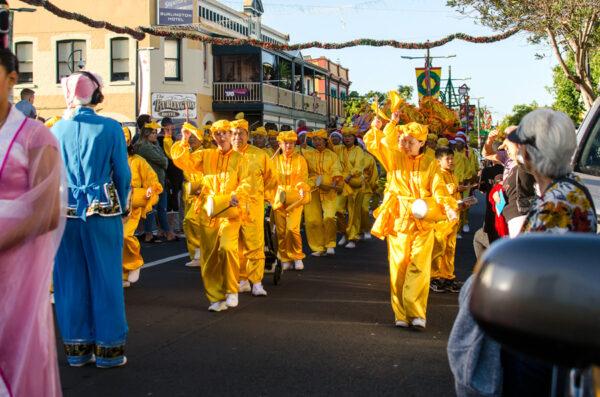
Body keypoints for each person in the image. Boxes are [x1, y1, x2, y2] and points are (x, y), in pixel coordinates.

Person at [52, 71, 131, 368]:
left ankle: (77, 351)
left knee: (69, 280)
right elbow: (122, 174)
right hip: (102, 210)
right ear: (96, 94)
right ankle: (109, 351)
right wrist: (124, 205)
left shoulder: (54, 130)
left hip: (65, 210)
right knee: (106, 278)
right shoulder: (111, 128)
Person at [0, 47, 64, 397]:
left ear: (12, 79)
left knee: (15, 350)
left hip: (16, 267)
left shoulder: (36, 137)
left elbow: (47, 210)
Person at [364, 114, 457, 330]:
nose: (405, 144)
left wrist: (449, 207)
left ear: (422, 142)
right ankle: (400, 314)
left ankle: (416, 313)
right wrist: (384, 124)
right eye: (403, 140)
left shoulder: (431, 163)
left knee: (418, 266)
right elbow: (376, 143)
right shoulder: (394, 156)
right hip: (398, 220)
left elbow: (439, 189)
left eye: (410, 141)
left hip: (423, 220)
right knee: (398, 268)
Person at [171, 120, 251, 312]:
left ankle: (232, 289)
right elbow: (184, 162)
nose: (221, 137)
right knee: (209, 258)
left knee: (227, 248)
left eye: (224, 133)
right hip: (208, 211)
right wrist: (185, 139)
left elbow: (247, 182)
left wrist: (236, 196)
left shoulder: (241, 159)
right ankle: (216, 298)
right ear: (213, 137)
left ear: (231, 135)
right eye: (217, 134)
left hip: (231, 213)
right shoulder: (205, 155)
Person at [231, 119, 273, 296]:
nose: (237, 137)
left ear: (247, 135)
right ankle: (241, 279)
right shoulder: (224, 155)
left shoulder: (259, 155)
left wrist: (270, 200)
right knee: (235, 245)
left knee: (255, 243)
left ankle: (256, 281)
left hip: (254, 206)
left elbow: (271, 179)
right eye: (233, 133)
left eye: (241, 133)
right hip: (231, 207)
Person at [430, 147, 475, 293]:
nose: (451, 161)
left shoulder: (452, 175)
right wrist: (455, 194)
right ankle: (434, 277)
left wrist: (461, 203)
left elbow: (452, 196)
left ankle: (447, 276)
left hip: (452, 218)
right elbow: (439, 195)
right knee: (438, 248)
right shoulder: (437, 175)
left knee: (450, 249)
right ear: (438, 161)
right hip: (441, 218)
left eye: (451, 158)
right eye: (447, 159)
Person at [122, 127, 162, 287]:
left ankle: (134, 262)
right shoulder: (106, 159)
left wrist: (151, 190)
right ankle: (122, 274)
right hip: (112, 204)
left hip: (132, 205)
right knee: (114, 241)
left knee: (125, 236)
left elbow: (153, 181)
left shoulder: (138, 160)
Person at [165, 122, 204, 267]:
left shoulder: (204, 152)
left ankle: (202, 253)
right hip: (189, 190)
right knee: (188, 224)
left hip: (203, 192)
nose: (192, 139)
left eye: (194, 136)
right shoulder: (186, 150)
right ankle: (196, 255)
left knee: (192, 221)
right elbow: (174, 156)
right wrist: (170, 139)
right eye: (189, 136)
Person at [271, 130, 310, 270]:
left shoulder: (300, 159)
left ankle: (297, 256)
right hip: (279, 198)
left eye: (292, 143)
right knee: (281, 231)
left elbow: (303, 177)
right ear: (280, 144)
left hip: (295, 198)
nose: (289, 146)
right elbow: (270, 180)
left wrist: (301, 187)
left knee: (292, 229)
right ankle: (285, 257)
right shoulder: (274, 160)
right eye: (286, 143)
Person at [302, 129, 343, 256]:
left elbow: (336, 169)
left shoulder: (332, 155)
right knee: (312, 220)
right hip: (313, 188)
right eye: (314, 140)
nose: (317, 142)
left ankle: (330, 243)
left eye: (320, 139)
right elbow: (301, 161)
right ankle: (318, 247)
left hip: (329, 188)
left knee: (329, 217)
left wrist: (335, 181)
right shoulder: (308, 154)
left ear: (325, 141)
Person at [135, 118, 176, 242]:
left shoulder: (155, 144)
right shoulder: (143, 147)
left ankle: (166, 232)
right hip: (150, 182)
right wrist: (164, 161)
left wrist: (164, 161)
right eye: (152, 133)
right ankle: (150, 233)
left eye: (155, 132)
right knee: (151, 208)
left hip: (160, 181)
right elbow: (163, 160)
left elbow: (165, 159)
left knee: (162, 208)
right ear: (146, 134)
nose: (155, 135)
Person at [334, 126, 365, 249]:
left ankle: (353, 237)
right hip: (343, 183)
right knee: (338, 210)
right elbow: (334, 161)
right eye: (345, 136)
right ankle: (344, 233)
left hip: (354, 184)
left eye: (350, 136)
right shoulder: (339, 149)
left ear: (354, 138)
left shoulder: (358, 150)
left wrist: (349, 175)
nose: (347, 139)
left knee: (353, 212)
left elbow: (359, 166)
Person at [159, 117, 184, 235]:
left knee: (175, 199)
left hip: (177, 174)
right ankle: (169, 227)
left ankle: (174, 226)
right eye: (168, 127)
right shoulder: (160, 140)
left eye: (171, 126)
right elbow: (169, 156)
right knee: (169, 201)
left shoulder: (172, 139)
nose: (171, 129)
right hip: (168, 174)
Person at [360, 151, 379, 240]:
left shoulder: (369, 158)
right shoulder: (347, 155)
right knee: (354, 211)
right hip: (351, 188)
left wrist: (372, 187)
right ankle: (356, 231)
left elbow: (374, 174)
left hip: (366, 188)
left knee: (364, 209)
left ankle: (366, 229)